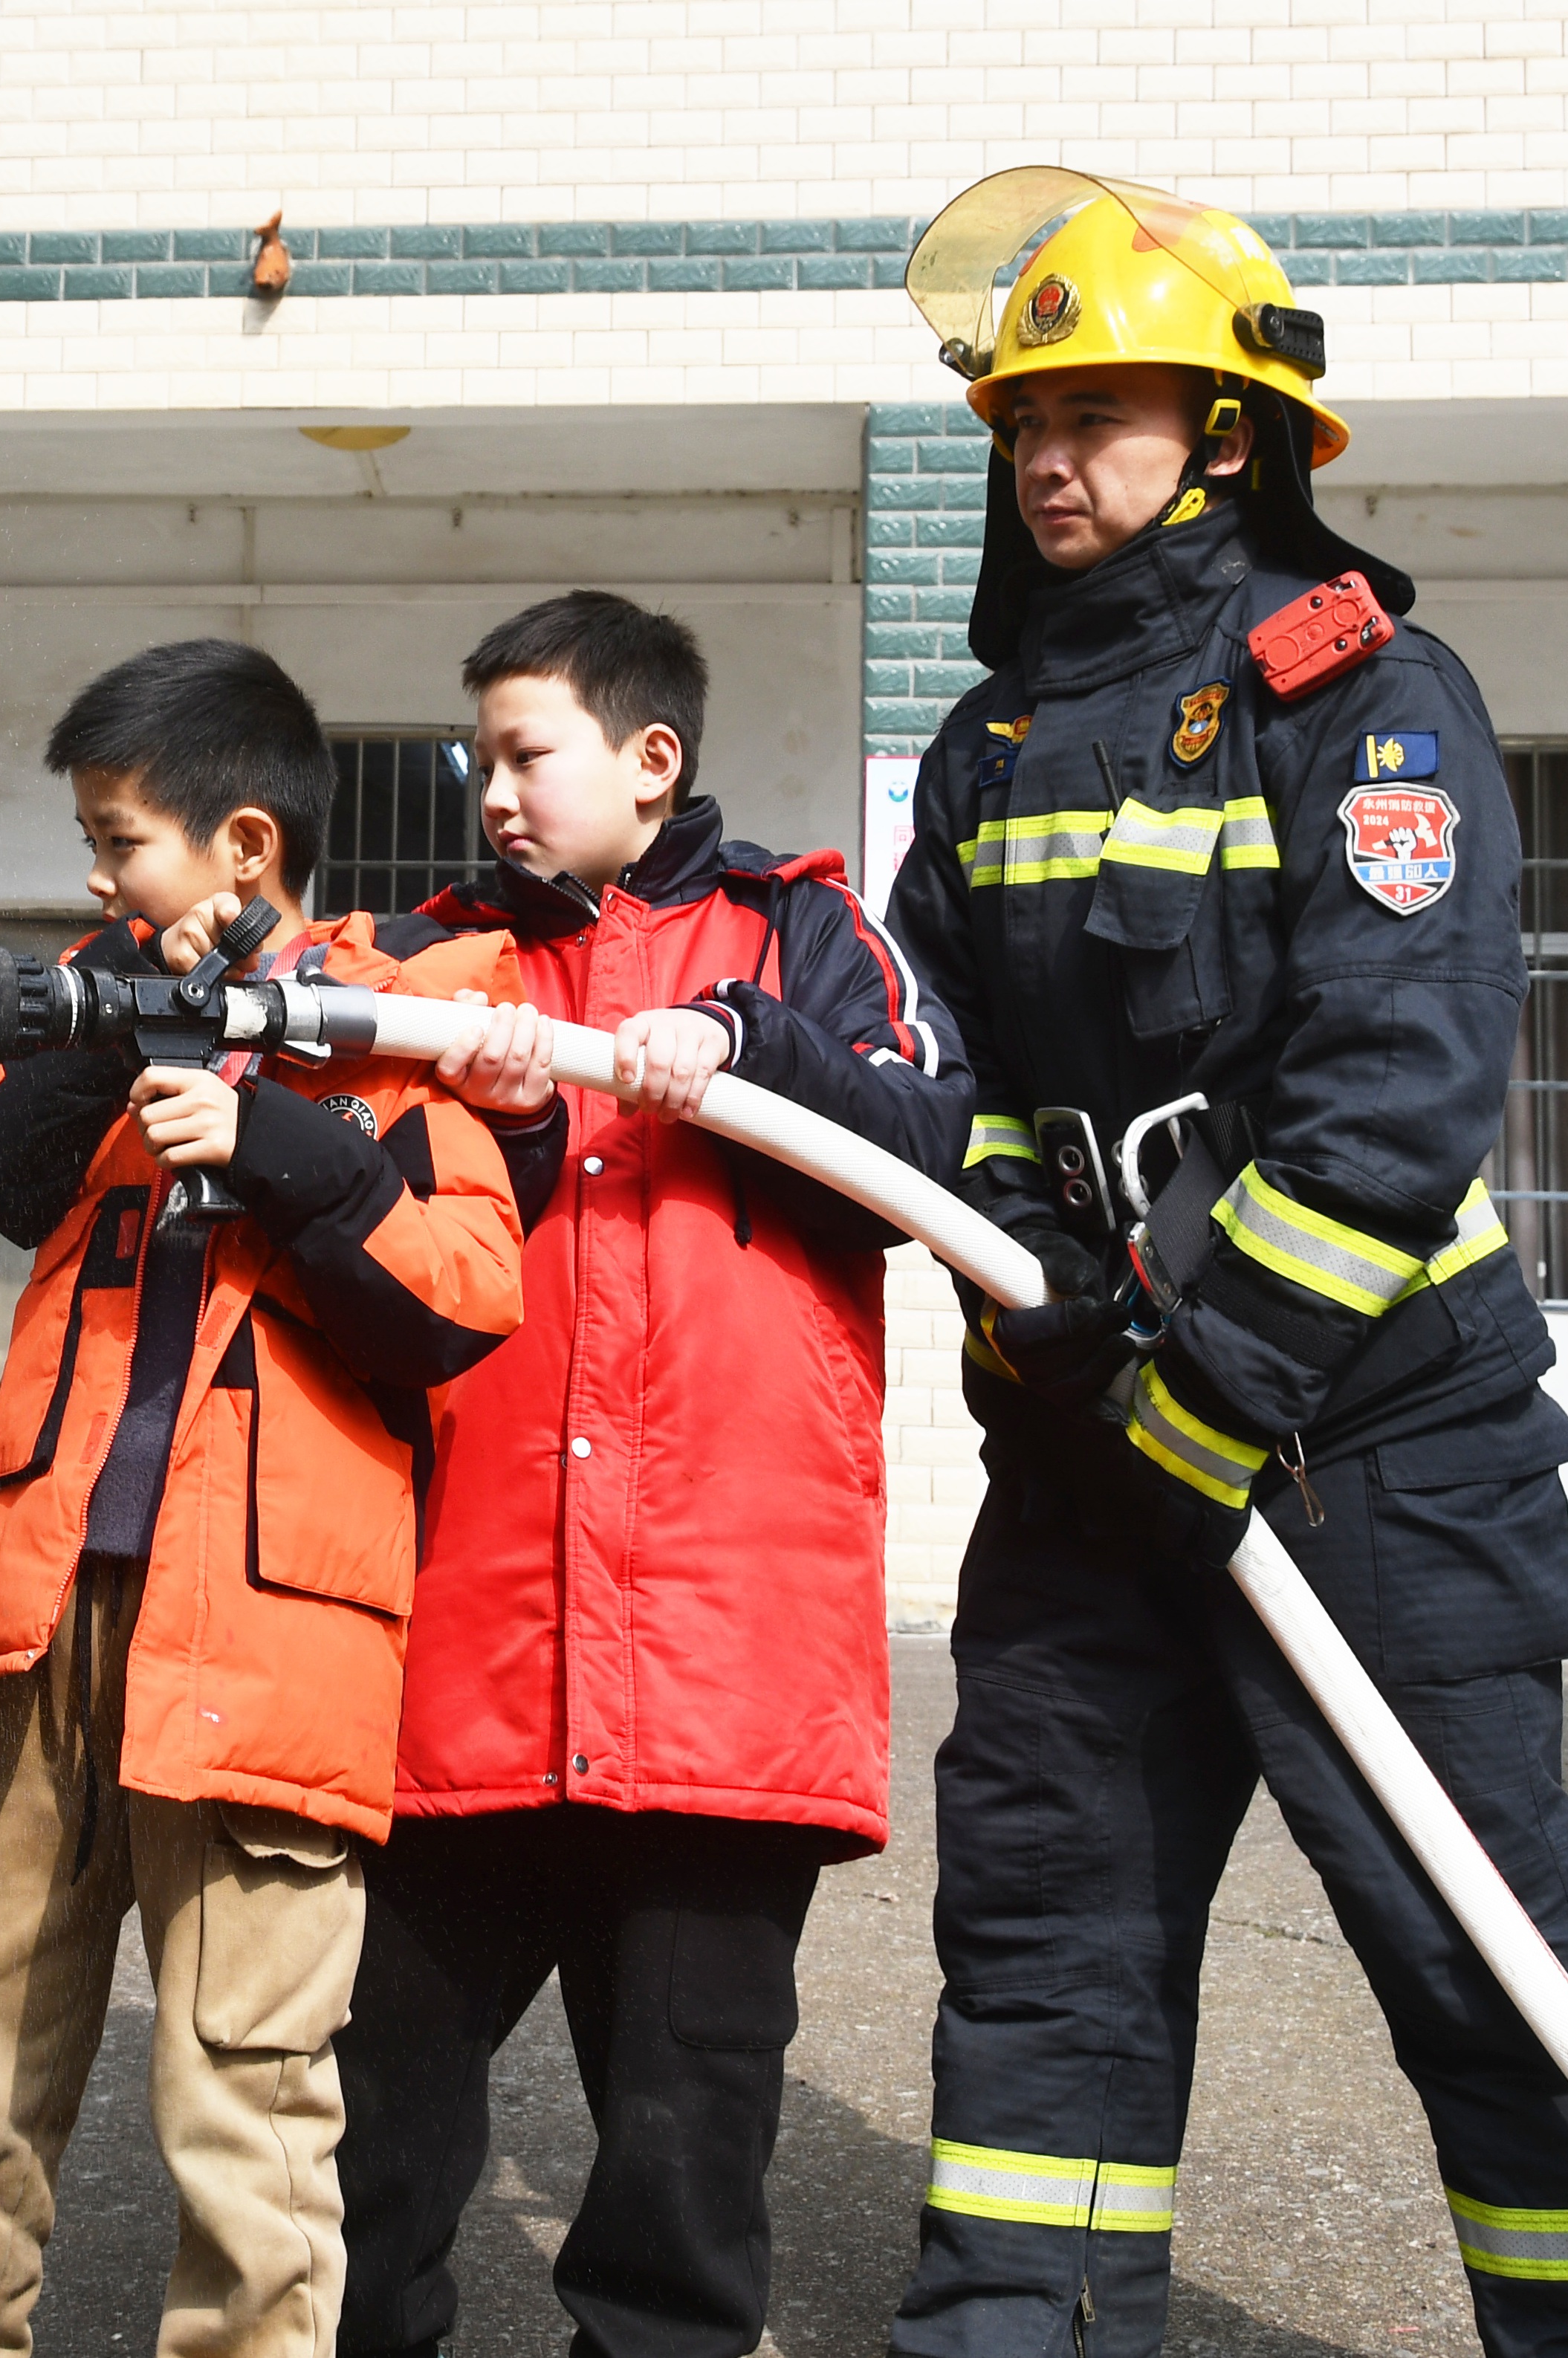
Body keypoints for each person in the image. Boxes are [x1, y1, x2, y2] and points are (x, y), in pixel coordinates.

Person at [876, 170, 1568, 2358]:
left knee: (1480, 1955)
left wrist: (1204, 1380)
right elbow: (955, 1077)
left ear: (1225, 433)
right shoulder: (978, 757)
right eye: (1019, 423)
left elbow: (1394, 1090)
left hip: (1373, 1452)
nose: (1044, 459)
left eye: (1098, 415)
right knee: (1049, 1952)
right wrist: (1035, 1303)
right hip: (1096, 1461)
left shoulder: (1357, 694)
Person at [0, 638, 534, 2358]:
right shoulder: (90, 1018)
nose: (94, 873)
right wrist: (125, 1014)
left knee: (247, 2131)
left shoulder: (399, 1036)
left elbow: (461, 1298)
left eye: (119, 839)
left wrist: (286, 1146)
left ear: (245, 846)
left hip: (260, 1658)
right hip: (44, 1633)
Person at [334, 590, 972, 2358]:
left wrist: (758, 1053)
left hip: (717, 1660)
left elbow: (943, 1149)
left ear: (650, 758)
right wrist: (494, 1113)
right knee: (370, 2137)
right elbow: (345, 1228)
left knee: (684, 2157)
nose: (495, 797)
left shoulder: (802, 934)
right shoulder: (431, 962)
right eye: (480, 763)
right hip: (461, 1644)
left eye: (526, 755)